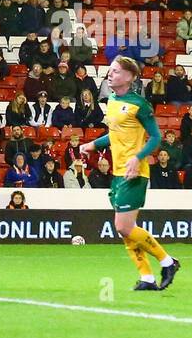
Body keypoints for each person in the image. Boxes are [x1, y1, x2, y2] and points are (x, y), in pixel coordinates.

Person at [76, 56, 180, 291]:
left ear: (130, 77)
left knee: (123, 226)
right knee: (124, 229)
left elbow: (155, 137)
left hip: (135, 172)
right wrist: (93, 144)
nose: (109, 74)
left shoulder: (140, 105)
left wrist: (138, 157)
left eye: (115, 71)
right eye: (110, 71)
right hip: (118, 172)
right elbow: (115, 134)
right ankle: (147, 278)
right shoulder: (111, 100)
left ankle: (167, 261)